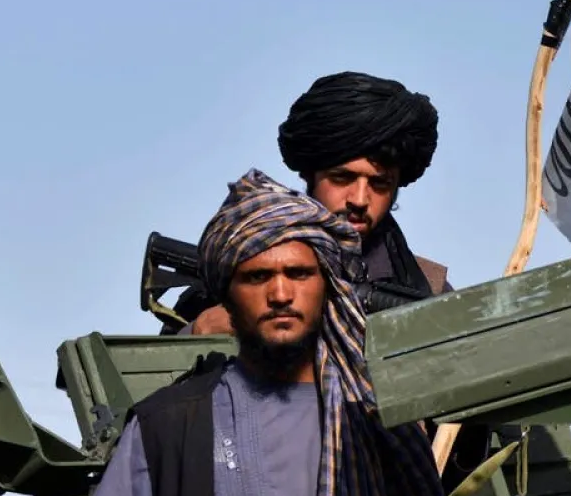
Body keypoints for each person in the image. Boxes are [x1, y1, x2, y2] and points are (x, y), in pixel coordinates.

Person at [64, 168, 454, 496]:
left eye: (299, 274)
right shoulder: (167, 425)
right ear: (226, 297)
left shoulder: (381, 424)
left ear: (328, 285)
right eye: (257, 277)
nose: (281, 294)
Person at [180, 71, 449, 335]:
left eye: (379, 184)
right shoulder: (240, 272)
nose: (359, 199)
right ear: (309, 174)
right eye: (342, 178)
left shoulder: (429, 291)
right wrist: (202, 331)